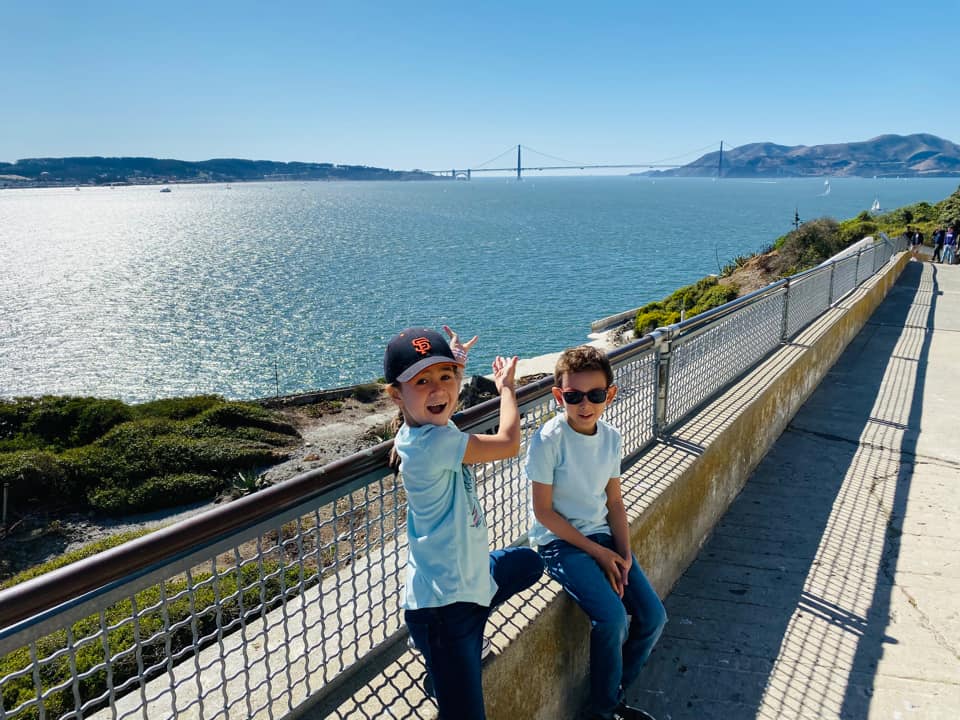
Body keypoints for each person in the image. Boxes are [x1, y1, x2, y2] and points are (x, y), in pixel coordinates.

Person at [385, 326, 544, 720]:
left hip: (467, 583)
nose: (438, 389)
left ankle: (446, 668)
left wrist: (455, 358)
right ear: (395, 394)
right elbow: (509, 443)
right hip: (445, 610)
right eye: (421, 381)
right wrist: (506, 387)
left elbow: (437, 396)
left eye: (445, 376)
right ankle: (441, 666)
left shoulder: (426, 426)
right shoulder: (434, 443)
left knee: (529, 563)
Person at [525, 346, 667, 720]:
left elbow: (615, 503)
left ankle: (613, 695)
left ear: (611, 394)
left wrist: (624, 555)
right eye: (573, 396)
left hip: (602, 537)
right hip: (559, 543)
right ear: (559, 396)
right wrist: (599, 553)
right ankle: (604, 711)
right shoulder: (547, 440)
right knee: (612, 619)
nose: (584, 404)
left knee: (653, 618)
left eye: (595, 395)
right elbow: (543, 512)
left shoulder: (611, 437)